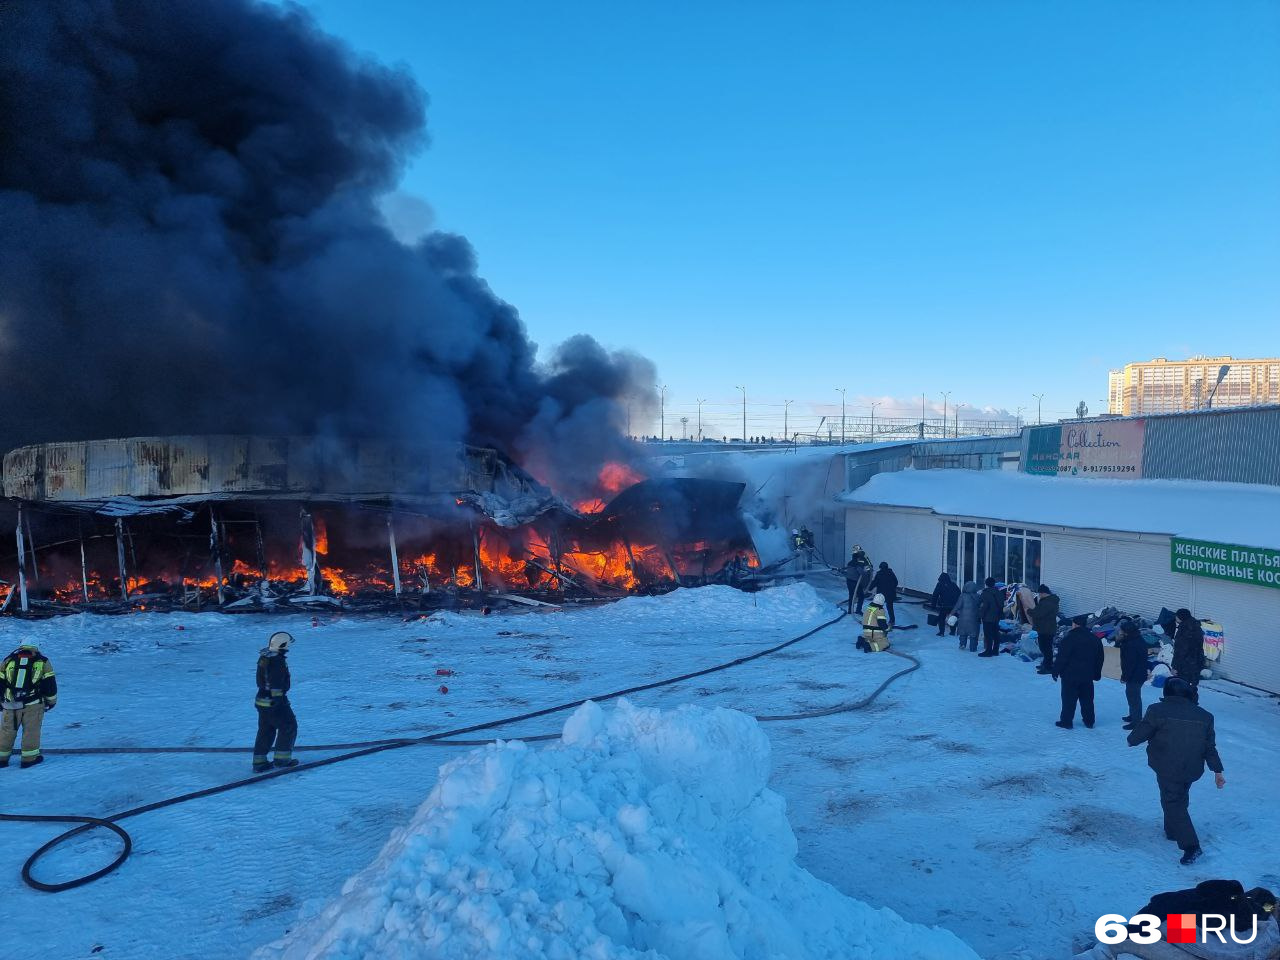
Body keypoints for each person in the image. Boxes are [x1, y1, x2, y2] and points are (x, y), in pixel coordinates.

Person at [1126, 677, 1224, 865]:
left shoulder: (1157, 710)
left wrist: (1132, 740)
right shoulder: (1205, 716)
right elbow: (1209, 747)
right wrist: (1217, 771)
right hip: (1192, 768)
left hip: (1167, 765)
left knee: (1173, 801)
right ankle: (1172, 830)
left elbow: (1142, 732)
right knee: (1178, 795)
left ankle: (1191, 846)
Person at [1071, 881, 1278, 959]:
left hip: (1218, 934)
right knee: (1151, 931)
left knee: (1147, 934)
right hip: (1208, 926)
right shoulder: (1263, 906)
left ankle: (1108, 946)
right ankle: (1108, 945)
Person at [0, 642, 57, 769]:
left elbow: (0, 682)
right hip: (33, 705)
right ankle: (29, 759)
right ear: (36, 647)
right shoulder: (43, 661)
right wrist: (51, 702)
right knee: (31, 731)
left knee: (6, 731)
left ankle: (1, 759)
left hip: (10, 704)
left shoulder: (8, 660)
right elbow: (50, 684)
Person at [253, 631, 299, 773]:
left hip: (262, 699)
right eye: (287, 645)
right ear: (282, 645)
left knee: (266, 730)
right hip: (275, 701)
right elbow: (276, 684)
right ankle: (282, 760)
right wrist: (279, 702)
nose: (288, 648)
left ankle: (259, 762)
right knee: (288, 726)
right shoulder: (277, 661)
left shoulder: (265, 657)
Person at [1054, 614, 1104, 729]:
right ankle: (1089, 721)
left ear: (1075, 624)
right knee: (1087, 699)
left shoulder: (1069, 638)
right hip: (1087, 675)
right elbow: (1099, 658)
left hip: (1070, 675)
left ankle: (1066, 722)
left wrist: (1056, 671)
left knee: (1068, 699)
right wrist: (1096, 673)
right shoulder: (1095, 639)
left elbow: (1062, 657)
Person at [1119, 618, 1149, 730]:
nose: (1120, 632)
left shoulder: (1131, 644)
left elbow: (1129, 663)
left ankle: (1136, 721)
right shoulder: (1137, 639)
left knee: (1133, 697)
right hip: (1139, 673)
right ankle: (1133, 716)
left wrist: (1125, 677)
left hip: (1135, 675)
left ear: (1127, 632)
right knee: (1132, 695)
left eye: (1121, 631)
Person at [1029, 583, 1061, 674]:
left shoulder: (1048, 602)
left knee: (1046, 648)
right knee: (1045, 647)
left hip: (1046, 628)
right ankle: (1046, 664)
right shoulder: (1049, 600)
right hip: (1045, 627)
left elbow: (1039, 613)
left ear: (1043, 593)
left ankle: (1048, 667)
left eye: (1040, 593)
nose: (1039, 595)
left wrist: (1029, 611)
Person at [1172, 608, 1207, 688]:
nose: (1175, 618)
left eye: (1177, 616)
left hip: (1185, 666)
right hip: (1196, 663)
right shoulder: (1196, 626)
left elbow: (1180, 650)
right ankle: (1192, 699)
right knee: (1192, 687)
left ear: (1181, 617)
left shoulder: (1184, 630)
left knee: (1182, 687)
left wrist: (1175, 667)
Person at [977, 577, 1004, 657]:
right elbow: (1002, 604)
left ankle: (988, 651)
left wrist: (980, 616)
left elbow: (983, 606)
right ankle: (995, 650)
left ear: (986, 584)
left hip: (988, 617)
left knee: (988, 634)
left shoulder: (985, 593)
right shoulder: (999, 592)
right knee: (996, 633)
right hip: (997, 616)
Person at [953, 581, 981, 651]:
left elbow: (957, 606)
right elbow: (981, 606)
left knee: (963, 632)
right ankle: (973, 647)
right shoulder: (978, 596)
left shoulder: (962, 596)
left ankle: (962, 644)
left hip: (963, 618)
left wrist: (951, 613)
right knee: (973, 634)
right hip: (974, 619)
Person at [931, 572, 961, 637]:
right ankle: (952, 631)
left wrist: (933, 605)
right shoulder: (953, 584)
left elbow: (935, 595)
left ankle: (941, 632)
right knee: (953, 618)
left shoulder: (939, 585)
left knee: (941, 618)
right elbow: (959, 594)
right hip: (953, 605)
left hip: (944, 605)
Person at [848, 545, 873, 614]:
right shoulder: (857, 562)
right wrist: (865, 570)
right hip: (856, 581)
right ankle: (858, 610)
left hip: (849, 581)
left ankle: (850, 610)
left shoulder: (850, 562)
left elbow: (868, 563)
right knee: (861, 596)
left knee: (851, 595)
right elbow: (862, 572)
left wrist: (868, 568)